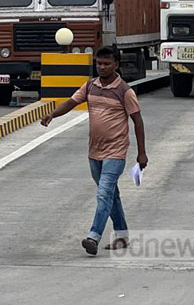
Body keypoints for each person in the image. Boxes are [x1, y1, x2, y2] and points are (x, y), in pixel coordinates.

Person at [40, 47, 149, 256]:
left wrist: (142, 153)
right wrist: (53, 115)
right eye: (99, 63)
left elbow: (138, 121)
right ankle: (122, 236)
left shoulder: (125, 91)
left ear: (116, 65)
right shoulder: (90, 86)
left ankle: (93, 237)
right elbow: (72, 102)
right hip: (94, 151)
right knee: (111, 195)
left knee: (104, 194)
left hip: (116, 151)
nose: (102, 67)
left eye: (107, 64)